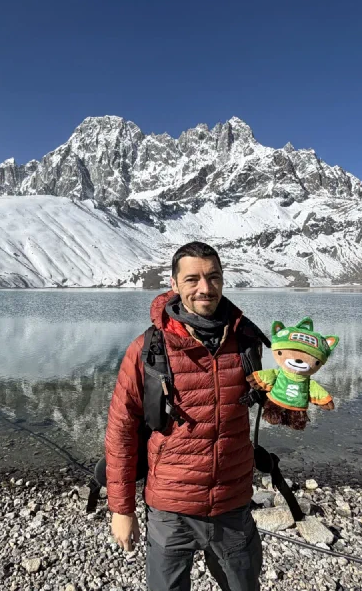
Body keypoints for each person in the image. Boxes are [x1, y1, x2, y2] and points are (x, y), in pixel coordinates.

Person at [104, 241, 263, 591]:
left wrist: (295, 398)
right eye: (192, 279)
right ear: (174, 284)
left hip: (232, 504)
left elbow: (270, 406)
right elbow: (121, 431)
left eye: (213, 277)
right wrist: (122, 509)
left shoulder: (247, 340)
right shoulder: (148, 348)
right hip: (169, 509)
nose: (205, 288)